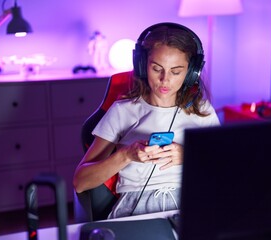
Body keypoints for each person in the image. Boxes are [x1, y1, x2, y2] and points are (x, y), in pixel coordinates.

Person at [73, 22, 221, 219]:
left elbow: (223, 172)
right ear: (142, 65)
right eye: (156, 68)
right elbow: (81, 182)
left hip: (192, 204)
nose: (165, 79)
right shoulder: (123, 111)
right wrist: (126, 155)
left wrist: (189, 156)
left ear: (192, 72)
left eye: (176, 71)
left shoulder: (203, 111)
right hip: (136, 209)